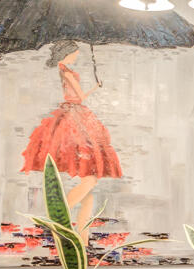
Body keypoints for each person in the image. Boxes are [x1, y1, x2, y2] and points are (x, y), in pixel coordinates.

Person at [20, 39, 122, 246]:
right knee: (90, 178)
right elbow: (81, 97)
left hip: (72, 115)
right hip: (75, 116)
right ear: (67, 53)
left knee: (89, 189)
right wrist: (96, 87)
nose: (77, 54)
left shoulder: (63, 69)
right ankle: (59, 222)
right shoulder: (66, 71)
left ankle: (83, 240)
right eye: (75, 51)